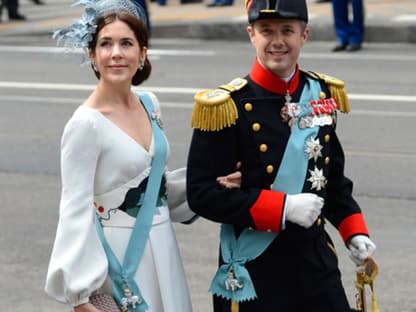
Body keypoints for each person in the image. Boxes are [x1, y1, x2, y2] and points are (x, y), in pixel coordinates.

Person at [186, 0, 376, 311]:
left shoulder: (321, 94)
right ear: (251, 34)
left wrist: (353, 230)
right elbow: (202, 192)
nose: (277, 41)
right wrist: (283, 207)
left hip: (316, 265)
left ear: (304, 35)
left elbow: (332, 180)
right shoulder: (227, 106)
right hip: (257, 270)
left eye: (287, 30)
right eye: (266, 31)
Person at [44, 0, 200, 311]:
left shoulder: (150, 103)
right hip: (120, 259)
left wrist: (209, 183)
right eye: (106, 44)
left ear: (142, 53)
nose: (116, 53)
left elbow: (151, 185)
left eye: (126, 43)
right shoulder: (85, 124)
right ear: (92, 54)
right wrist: (80, 296)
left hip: (164, 250)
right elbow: (75, 209)